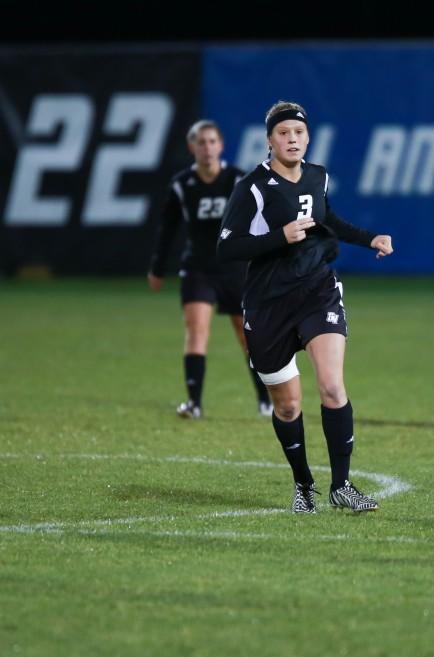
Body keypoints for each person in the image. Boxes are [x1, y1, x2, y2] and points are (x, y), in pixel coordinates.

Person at [217, 100, 394, 514]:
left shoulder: (318, 176)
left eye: (298, 132)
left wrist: (371, 238)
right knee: (288, 405)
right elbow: (227, 247)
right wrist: (280, 236)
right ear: (269, 140)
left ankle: (342, 485)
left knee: (332, 385)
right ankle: (304, 485)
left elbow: (327, 217)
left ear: (308, 137)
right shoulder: (253, 188)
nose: (292, 139)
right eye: (283, 133)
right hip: (267, 305)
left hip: (316, 291)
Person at [148, 120, 273, 420]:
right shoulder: (182, 185)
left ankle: (266, 401)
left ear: (221, 145)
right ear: (192, 147)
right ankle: (194, 403)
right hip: (198, 268)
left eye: (212, 141)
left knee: (248, 337)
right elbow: (168, 228)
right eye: (201, 142)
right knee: (196, 331)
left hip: (236, 269)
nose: (207, 148)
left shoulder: (237, 180)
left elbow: (261, 220)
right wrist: (157, 267)